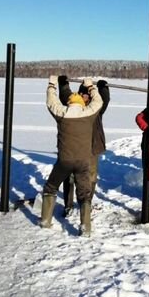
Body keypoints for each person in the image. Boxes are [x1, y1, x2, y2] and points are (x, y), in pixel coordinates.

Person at [40, 76, 103, 237]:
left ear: (69, 103)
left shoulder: (62, 114)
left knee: (51, 187)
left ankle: (45, 220)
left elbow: (51, 101)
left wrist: (52, 84)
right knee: (84, 194)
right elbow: (98, 102)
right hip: (83, 162)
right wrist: (91, 86)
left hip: (64, 162)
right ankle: (86, 227)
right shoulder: (88, 115)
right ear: (82, 104)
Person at [57, 75, 110, 217]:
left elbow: (104, 100)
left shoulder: (96, 109)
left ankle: (86, 204)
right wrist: (63, 84)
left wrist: (103, 88)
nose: (83, 97)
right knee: (69, 177)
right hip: (73, 149)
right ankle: (68, 205)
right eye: (81, 94)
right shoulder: (72, 107)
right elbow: (64, 96)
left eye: (86, 94)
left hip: (92, 149)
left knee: (90, 178)